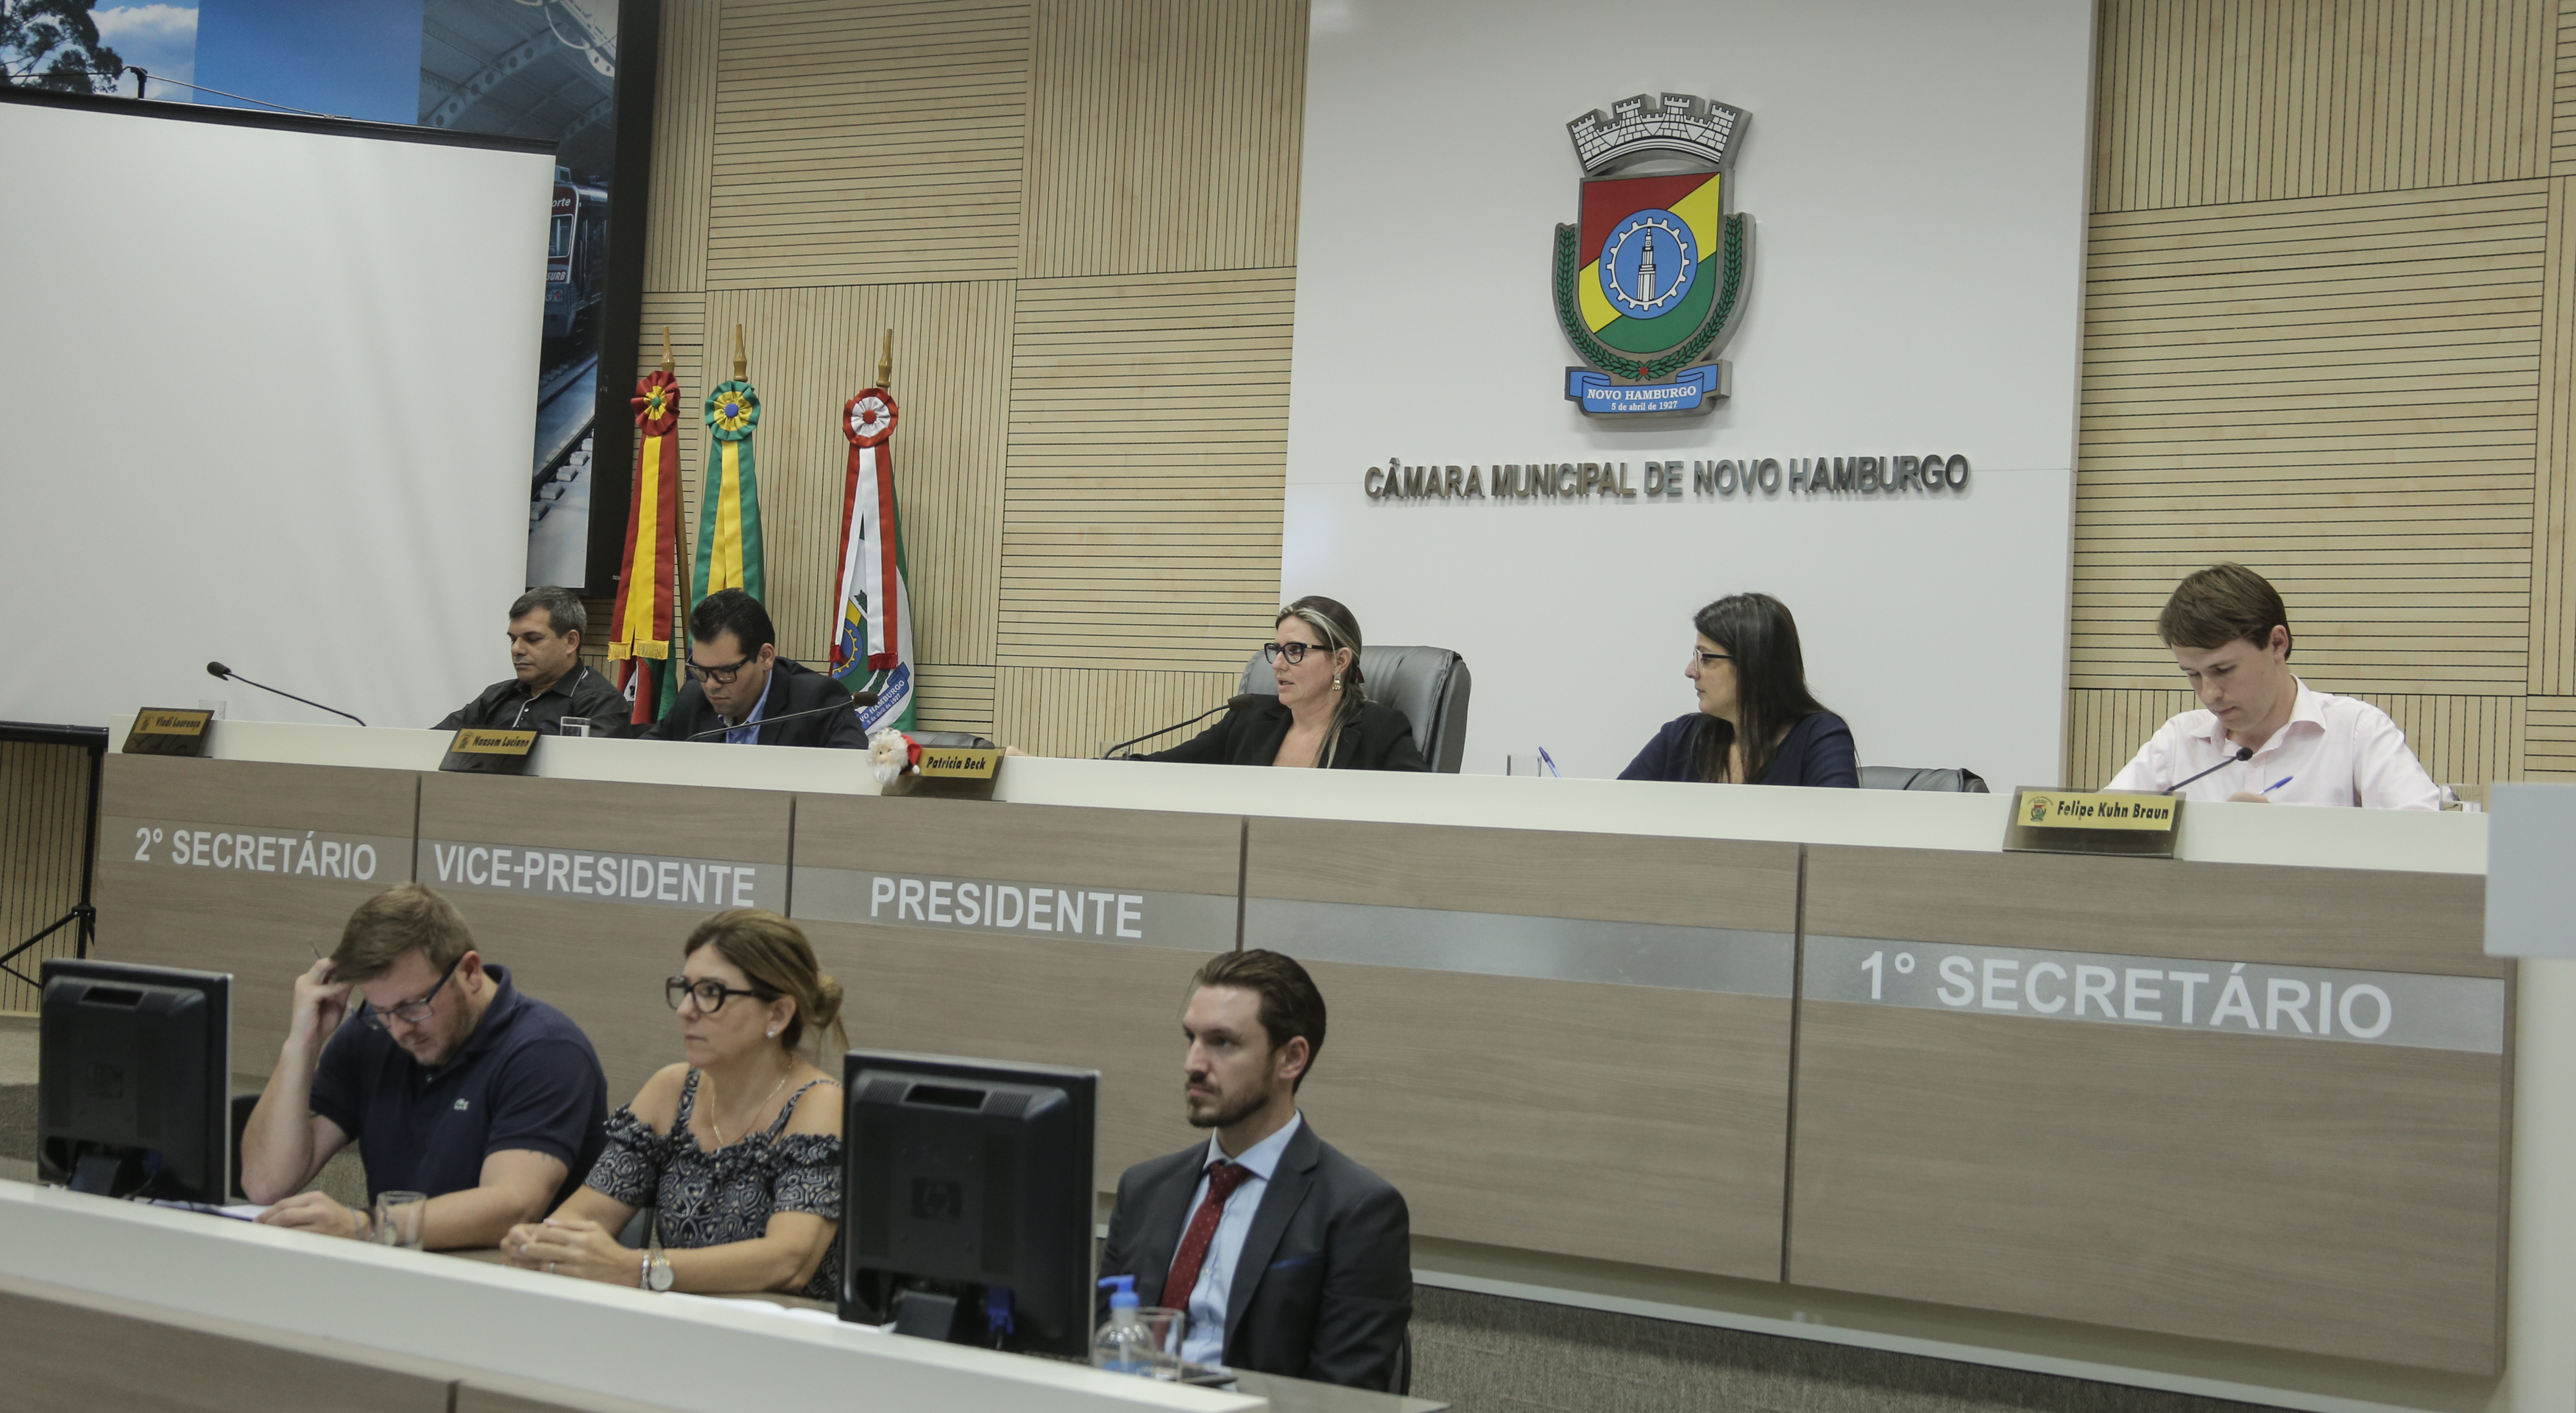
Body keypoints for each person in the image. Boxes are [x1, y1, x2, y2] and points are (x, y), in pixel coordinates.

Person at [1098, 950, 1411, 1389]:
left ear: (1291, 1059)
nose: (1193, 1063)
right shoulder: (1144, 1189)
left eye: (1222, 1042)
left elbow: (1344, 1396)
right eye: (1191, 1038)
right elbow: (1099, 1350)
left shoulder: (1358, 1210)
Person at [241, 885, 609, 1248]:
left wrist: (366, 1227)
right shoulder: (370, 1036)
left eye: (413, 1006)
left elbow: (512, 1206)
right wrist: (302, 1044)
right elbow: (265, 1184)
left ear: (470, 972)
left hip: (507, 1286)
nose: (400, 1030)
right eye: (382, 1012)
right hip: (397, 1276)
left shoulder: (546, 1050)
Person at [506, 910, 845, 1296]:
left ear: (778, 1013)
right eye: (686, 989)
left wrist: (637, 1269)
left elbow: (789, 1262)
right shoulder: (671, 1089)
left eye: (712, 993)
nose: (686, 1010)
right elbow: (586, 1215)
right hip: (676, 1330)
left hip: (789, 1340)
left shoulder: (821, 1104)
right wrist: (541, 1242)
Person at [2105, 563, 2442, 808]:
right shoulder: (2178, 741)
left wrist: (2281, 836)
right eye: (2192, 674)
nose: (2209, 694)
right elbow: (2094, 830)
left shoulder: (2356, 731)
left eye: (2222, 669)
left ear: (2277, 644)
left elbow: (2424, 843)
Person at [1133, 597, 1426, 770]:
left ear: (1340, 662)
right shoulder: (1247, 719)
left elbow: (1420, 805)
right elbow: (1166, 768)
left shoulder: (1380, 729)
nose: (1277, 664)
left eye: (1296, 650)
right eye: (1277, 650)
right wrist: (1103, 768)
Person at [1620, 593, 1858, 786]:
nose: (1690, 671)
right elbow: (1610, 819)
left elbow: (1837, 835)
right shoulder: (1681, 737)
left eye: (1706, 658)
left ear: (1752, 665)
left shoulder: (1819, 737)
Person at [642, 589, 868, 748]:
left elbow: (849, 781)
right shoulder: (693, 700)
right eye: (701, 670)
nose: (710, 685)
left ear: (765, 657)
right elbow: (640, 759)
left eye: (725, 672)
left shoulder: (817, 702)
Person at [434, 586, 629, 736]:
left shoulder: (602, 703)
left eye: (532, 639)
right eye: (513, 639)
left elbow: (587, 778)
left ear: (570, 641)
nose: (516, 649)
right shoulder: (496, 696)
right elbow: (429, 744)